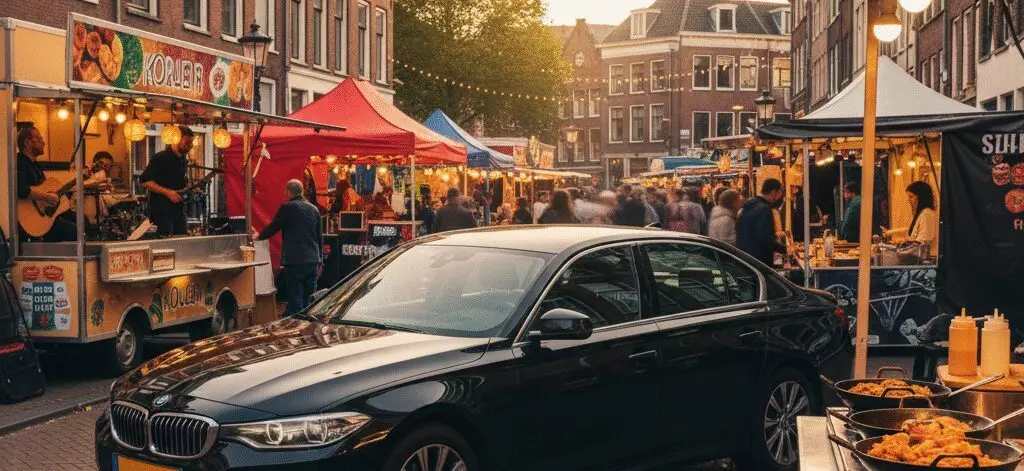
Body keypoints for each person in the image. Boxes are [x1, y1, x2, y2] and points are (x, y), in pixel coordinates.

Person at [256, 179, 323, 316]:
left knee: (295, 298)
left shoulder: (287, 208)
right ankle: (307, 325)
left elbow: (272, 228)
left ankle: (296, 326)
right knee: (309, 298)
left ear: (288, 192)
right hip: (312, 261)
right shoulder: (314, 209)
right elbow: (319, 237)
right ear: (302, 191)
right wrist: (320, 260)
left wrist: (258, 238)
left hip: (295, 261)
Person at [16, 126, 77, 242]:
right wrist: (47, 197)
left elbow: (44, 190)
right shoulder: (20, 162)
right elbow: (21, 190)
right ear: (27, 143)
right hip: (31, 220)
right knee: (72, 230)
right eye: (39, 139)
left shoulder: (36, 166)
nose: (43, 143)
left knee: (80, 220)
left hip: (44, 214)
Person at [141, 126, 194, 236]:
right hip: (162, 212)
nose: (190, 146)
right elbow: (145, 181)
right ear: (176, 139)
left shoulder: (183, 160)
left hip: (179, 211)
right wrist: (168, 192)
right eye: (187, 142)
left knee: (181, 241)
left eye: (191, 143)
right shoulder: (160, 157)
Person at [737, 178, 788, 266]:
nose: (781, 196)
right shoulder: (764, 208)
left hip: (746, 258)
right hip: (759, 261)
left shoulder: (749, 205)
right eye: (780, 192)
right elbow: (764, 237)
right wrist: (784, 249)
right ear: (773, 192)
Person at [885, 181, 938, 256]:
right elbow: (913, 234)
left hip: (924, 258)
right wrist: (901, 241)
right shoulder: (921, 213)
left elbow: (923, 240)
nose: (908, 200)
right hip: (918, 256)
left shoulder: (927, 214)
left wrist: (903, 245)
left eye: (911, 197)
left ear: (921, 197)